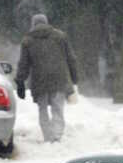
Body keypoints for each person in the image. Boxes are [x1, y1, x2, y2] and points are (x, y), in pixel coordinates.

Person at [15, 13, 79, 142]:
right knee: (57, 108)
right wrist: (74, 77)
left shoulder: (28, 40)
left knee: (42, 109)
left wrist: (20, 81)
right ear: (47, 22)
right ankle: (56, 136)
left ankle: (48, 137)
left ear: (33, 24)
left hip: (39, 81)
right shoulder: (60, 37)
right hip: (59, 78)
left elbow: (23, 64)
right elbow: (71, 58)